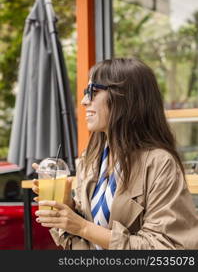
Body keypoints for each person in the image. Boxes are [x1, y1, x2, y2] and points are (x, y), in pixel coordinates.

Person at [32, 57, 198, 250]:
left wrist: (83, 227)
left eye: (93, 92)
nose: (84, 101)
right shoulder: (91, 159)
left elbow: (167, 247)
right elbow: (84, 238)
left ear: (124, 97)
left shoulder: (159, 163)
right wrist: (67, 207)